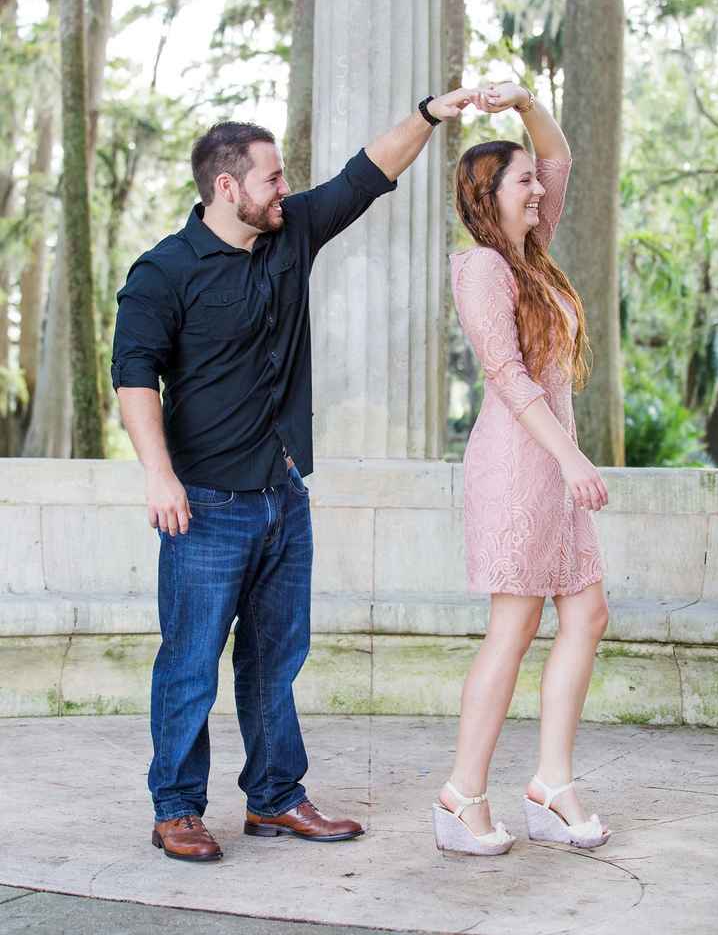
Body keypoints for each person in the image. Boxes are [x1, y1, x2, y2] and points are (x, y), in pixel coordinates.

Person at [112, 88, 481, 862]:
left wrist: (430, 113)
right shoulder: (163, 272)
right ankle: (176, 808)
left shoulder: (290, 233)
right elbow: (134, 375)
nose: (286, 188)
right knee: (190, 663)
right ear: (227, 187)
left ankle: (275, 798)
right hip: (205, 505)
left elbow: (366, 174)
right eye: (272, 177)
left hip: (284, 495)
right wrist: (158, 475)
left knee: (275, 662)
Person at [433, 81, 611, 856]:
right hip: (518, 465)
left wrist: (524, 102)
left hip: (554, 464)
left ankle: (551, 785)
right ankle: (460, 795)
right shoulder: (483, 268)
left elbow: (560, 157)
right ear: (490, 195)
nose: (539, 188)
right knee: (515, 625)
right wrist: (571, 458)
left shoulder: (531, 255)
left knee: (587, 613)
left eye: (536, 182)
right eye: (523, 181)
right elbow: (506, 376)